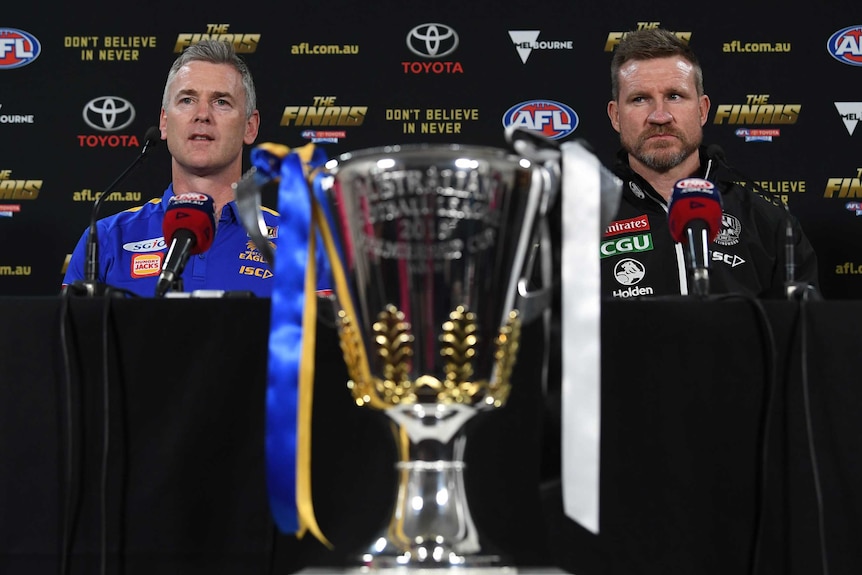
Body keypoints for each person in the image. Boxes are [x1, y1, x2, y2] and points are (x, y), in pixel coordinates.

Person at [602, 28, 819, 299]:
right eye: (640, 99)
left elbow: (803, 335)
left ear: (702, 110)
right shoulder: (581, 223)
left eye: (674, 96)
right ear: (616, 116)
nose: (659, 116)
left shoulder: (769, 222)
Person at [62, 39, 277, 297]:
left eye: (221, 102)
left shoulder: (298, 242)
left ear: (249, 126)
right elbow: (69, 336)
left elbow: (328, 335)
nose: (202, 114)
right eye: (187, 100)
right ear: (164, 122)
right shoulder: (108, 239)